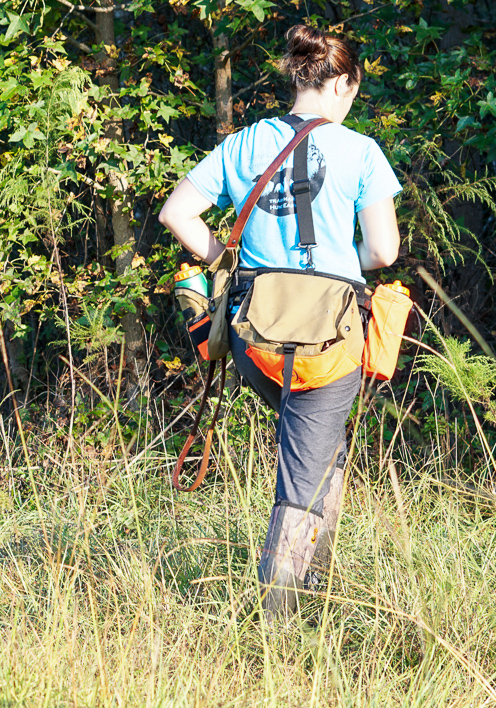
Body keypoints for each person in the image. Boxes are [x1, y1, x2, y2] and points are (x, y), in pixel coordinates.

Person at [158, 25, 401, 620]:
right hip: (330, 339)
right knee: (304, 469)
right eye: (352, 91)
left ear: (297, 78)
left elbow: (176, 213)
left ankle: (317, 588)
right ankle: (279, 624)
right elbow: (384, 253)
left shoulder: (244, 144)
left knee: (322, 450)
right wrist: (346, 259)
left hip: (254, 337)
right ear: (342, 83)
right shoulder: (361, 150)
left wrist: (224, 258)